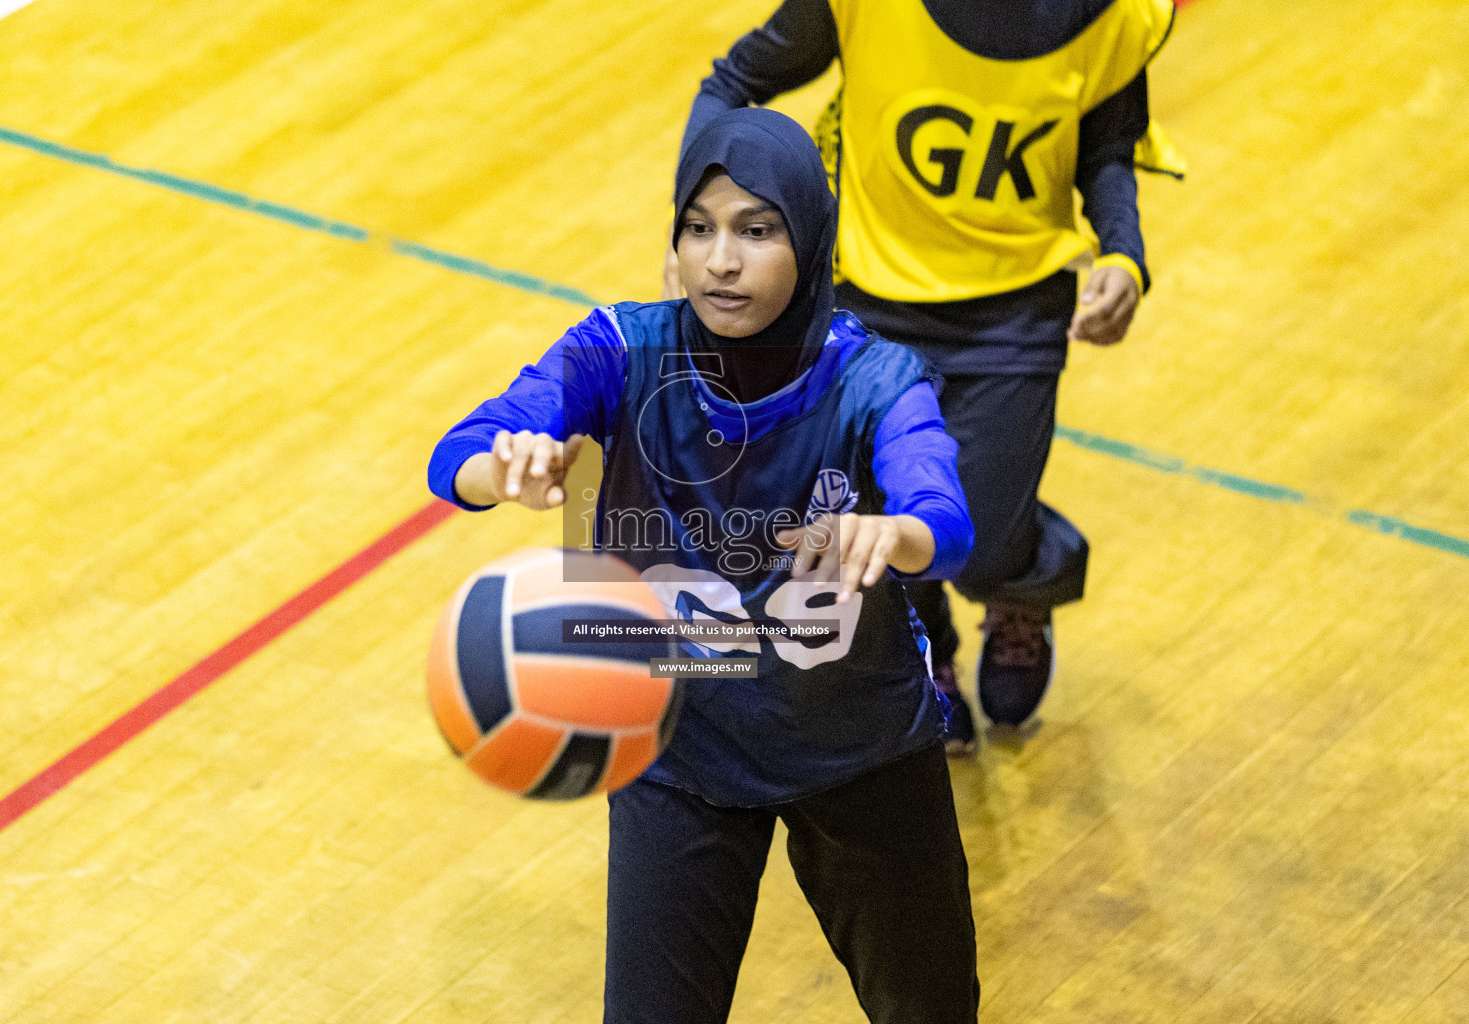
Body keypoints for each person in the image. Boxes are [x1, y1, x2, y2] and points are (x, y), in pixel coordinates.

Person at [429, 108, 980, 1023]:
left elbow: (944, 515)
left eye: (757, 231)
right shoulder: (620, 349)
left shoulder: (878, 378)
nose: (721, 260)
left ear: (810, 238)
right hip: (682, 752)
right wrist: (510, 465)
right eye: (699, 227)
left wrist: (904, 538)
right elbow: (461, 451)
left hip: (860, 749)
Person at [669, 0, 1182, 751]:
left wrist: (1123, 253)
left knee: (983, 534)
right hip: (868, 293)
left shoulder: (1114, 17)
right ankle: (926, 652)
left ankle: (1023, 586)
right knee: (875, 504)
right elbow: (734, 79)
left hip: (1016, 310)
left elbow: (1107, 145)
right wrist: (697, 218)